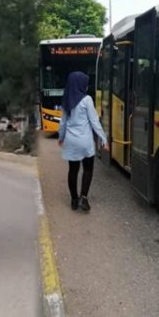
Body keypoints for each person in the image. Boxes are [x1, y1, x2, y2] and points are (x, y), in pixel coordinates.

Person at [58, 71, 109, 212]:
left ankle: (74, 200)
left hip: (71, 141)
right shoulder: (87, 100)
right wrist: (104, 140)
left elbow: (62, 123)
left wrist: (61, 138)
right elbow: (94, 122)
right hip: (85, 142)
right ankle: (83, 198)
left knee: (73, 171)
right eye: (85, 84)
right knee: (88, 169)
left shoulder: (66, 101)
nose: (87, 87)